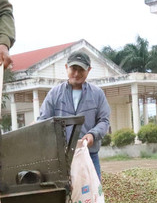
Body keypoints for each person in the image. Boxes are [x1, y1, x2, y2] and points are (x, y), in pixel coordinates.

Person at [38, 51, 111, 179]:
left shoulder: (97, 94)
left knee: (92, 196)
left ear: (89, 70)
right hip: (61, 158)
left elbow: (104, 121)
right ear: (66, 67)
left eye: (81, 69)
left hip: (89, 156)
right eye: (73, 69)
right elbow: (43, 121)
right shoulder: (54, 94)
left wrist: (92, 134)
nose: (76, 74)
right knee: (64, 196)